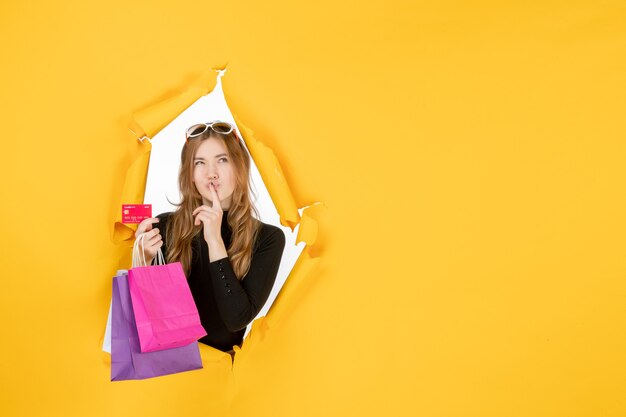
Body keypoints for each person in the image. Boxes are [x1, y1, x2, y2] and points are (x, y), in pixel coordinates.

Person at [134, 121, 286, 353]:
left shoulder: (268, 238)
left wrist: (215, 241)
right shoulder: (165, 226)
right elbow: (151, 319)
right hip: (168, 374)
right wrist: (142, 260)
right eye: (200, 163)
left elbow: (236, 319)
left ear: (239, 167)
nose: (211, 173)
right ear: (190, 174)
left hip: (222, 377)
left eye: (222, 160)